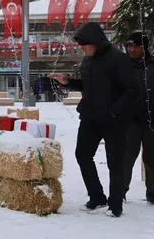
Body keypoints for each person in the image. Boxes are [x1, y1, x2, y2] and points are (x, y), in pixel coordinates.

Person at [50, 22, 139, 217]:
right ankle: (97, 196)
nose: (82, 49)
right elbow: (88, 86)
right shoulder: (88, 60)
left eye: (84, 45)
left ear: (96, 42)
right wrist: (68, 82)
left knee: (114, 163)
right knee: (82, 155)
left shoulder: (119, 59)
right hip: (90, 117)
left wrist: (114, 111)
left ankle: (115, 205)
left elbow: (132, 90)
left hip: (114, 121)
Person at [122, 31, 154, 204]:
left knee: (152, 158)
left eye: (135, 46)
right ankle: (120, 192)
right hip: (130, 120)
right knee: (126, 156)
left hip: (151, 120)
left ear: (144, 48)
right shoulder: (123, 66)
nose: (131, 49)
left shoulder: (152, 65)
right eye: (129, 46)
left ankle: (153, 194)